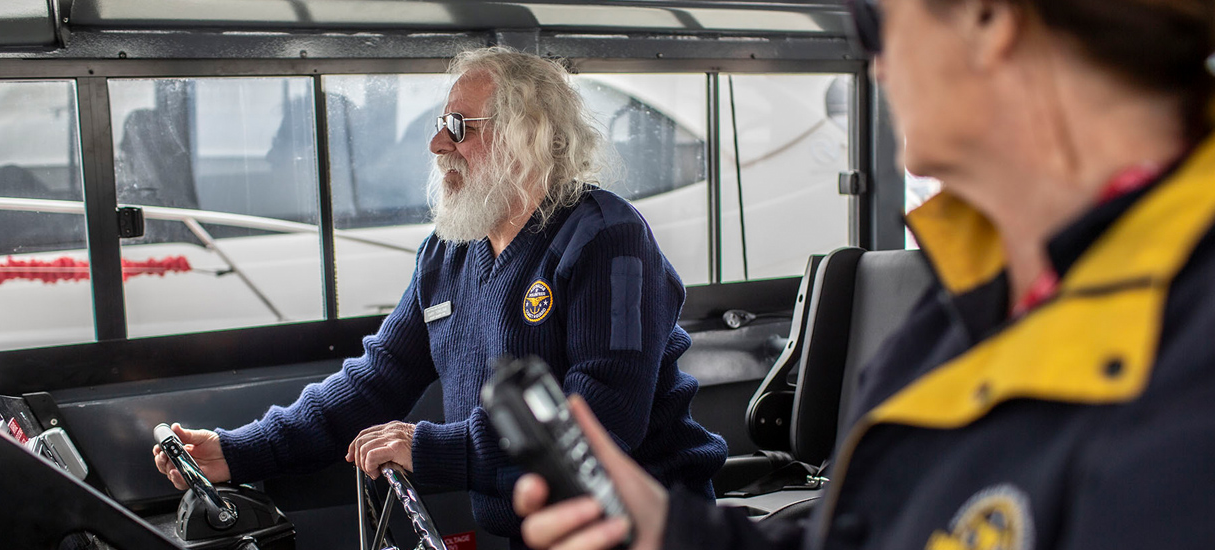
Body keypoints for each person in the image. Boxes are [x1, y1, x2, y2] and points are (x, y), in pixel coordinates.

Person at [514, 1, 1215, 549]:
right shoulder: (966, 305)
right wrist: (674, 533)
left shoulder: (1189, 366)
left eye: (874, 20)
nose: (875, 68)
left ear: (987, 17)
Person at [152, 46, 727, 547]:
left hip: (648, 531)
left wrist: (430, 450)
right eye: (440, 123)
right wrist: (234, 451)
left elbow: (600, 422)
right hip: (538, 531)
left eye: (459, 126)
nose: (435, 144)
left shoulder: (606, 237)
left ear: (527, 136)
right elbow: (375, 381)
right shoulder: (448, 252)